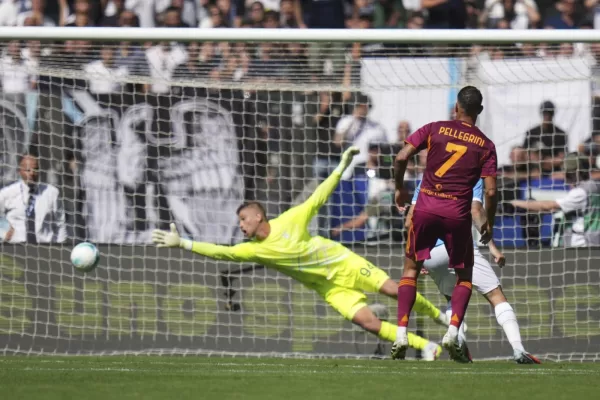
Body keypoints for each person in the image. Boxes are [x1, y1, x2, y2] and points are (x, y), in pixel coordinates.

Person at [153, 147, 449, 361]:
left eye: (243, 219)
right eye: (239, 223)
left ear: (257, 216)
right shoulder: (255, 251)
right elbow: (221, 253)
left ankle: (440, 316)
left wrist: (339, 167)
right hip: (329, 288)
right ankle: (426, 347)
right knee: (368, 322)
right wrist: (183, 243)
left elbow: (318, 196)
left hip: (343, 263)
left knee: (394, 291)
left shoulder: (290, 220)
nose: (241, 226)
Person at [392, 86, 498, 361]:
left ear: (456, 108)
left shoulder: (434, 128)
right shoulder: (485, 145)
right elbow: (490, 192)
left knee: (410, 269)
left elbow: (401, 157)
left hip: (425, 210)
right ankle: (453, 332)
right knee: (465, 276)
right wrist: (491, 223)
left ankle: (401, 332)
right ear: (480, 112)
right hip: (457, 215)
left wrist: (399, 189)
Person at [407, 179, 541, 364]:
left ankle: (458, 341)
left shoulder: (426, 178)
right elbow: (476, 211)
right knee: (495, 295)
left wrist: (419, 256)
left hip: (429, 253)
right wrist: (493, 248)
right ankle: (518, 349)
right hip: (457, 244)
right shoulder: (470, 175)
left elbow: (411, 220)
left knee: (452, 298)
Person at [511, 154, 600, 247]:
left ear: (579, 172)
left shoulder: (580, 192)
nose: (566, 176)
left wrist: (516, 203)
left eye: (569, 173)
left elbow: (549, 206)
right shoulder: (594, 186)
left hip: (581, 244)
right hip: (592, 243)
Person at [0, 154, 66, 243]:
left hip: (45, 247)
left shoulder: (52, 193)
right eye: (28, 170)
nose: (32, 173)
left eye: (35, 169)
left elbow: (60, 223)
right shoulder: (7, 193)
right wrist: (3, 231)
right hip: (15, 247)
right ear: (20, 171)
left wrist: (60, 245)